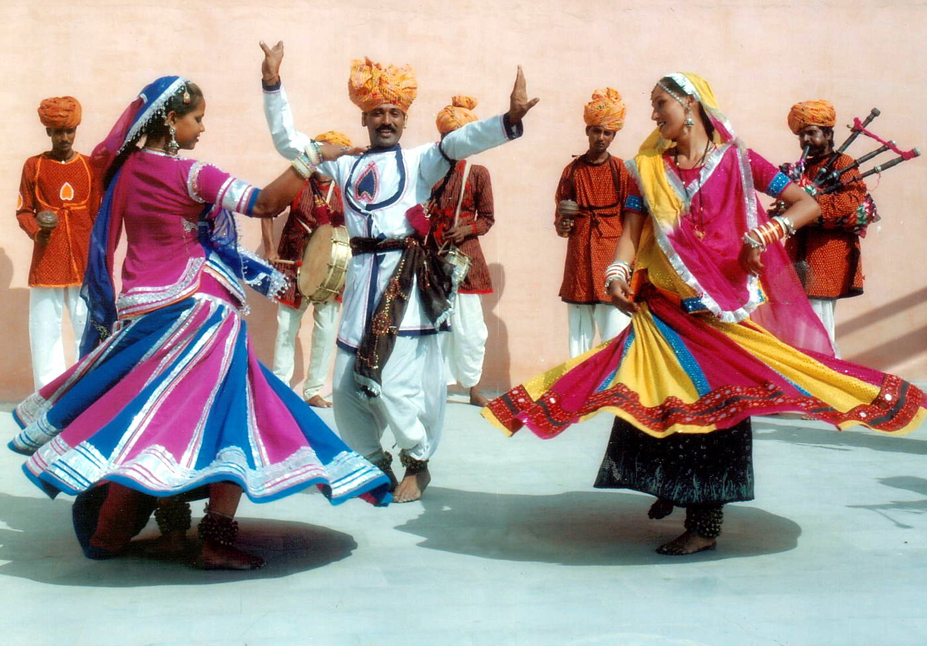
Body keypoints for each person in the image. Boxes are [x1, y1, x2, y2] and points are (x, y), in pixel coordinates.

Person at [483, 72, 926, 556]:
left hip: (720, 314)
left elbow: (808, 204)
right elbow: (631, 233)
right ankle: (671, 489)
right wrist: (615, 275)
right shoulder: (645, 169)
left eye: (660, 104)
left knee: (717, 414)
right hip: (661, 310)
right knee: (649, 398)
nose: (653, 115)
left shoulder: (737, 160)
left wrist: (766, 234)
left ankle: (705, 523)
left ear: (690, 103)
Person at [8, 75, 390, 570]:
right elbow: (264, 203)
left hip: (146, 317)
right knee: (230, 417)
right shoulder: (191, 174)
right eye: (197, 118)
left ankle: (145, 533)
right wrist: (315, 154)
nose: (202, 128)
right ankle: (214, 540)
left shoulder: (125, 172)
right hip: (204, 314)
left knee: (158, 423)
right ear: (170, 120)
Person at [260, 40, 538, 502]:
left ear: (405, 119)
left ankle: (417, 460)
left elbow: (458, 142)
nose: (386, 120)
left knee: (394, 384)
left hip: (405, 287)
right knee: (347, 384)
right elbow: (290, 143)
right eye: (377, 113)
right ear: (364, 119)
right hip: (359, 285)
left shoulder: (420, 162)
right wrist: (272, 84)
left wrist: (508, 121)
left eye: (394, 113)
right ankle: (373, 463)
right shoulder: (345, 163)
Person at [261, 131, 352, 409]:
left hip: (331, 269)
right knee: (287, 326)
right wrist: (270, 250)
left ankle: (313, 389)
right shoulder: (298, 182)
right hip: (294, 263)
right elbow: (266, 209)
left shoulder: (345, 189)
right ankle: (280, 385)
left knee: (325, 330)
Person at [16, 96, 101, 389]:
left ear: (76, 131)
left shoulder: (90, 167)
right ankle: (48, 395)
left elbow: (97, 215)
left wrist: (98, 255)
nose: (64, 138)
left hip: (83, 255)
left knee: (87, 325)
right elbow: (24, 210)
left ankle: (84, 392)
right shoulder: (34, 166)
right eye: (58, 132)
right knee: (44, 329)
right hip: (47, 256)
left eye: (69, 131)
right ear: (48, 133)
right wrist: (37, 231)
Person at [780, 100, 868, 356]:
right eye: (801, 134)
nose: (805, 139)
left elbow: (850, 202)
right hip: (798, 252)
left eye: (812, 132)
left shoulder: (844, 164)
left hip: (826, 254)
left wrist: (807, 202)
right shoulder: (801, 168)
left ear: (828, 133)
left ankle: (828, 373)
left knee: (818, 319)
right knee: (795, 318)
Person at [553, 88, 631, 357]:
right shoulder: (572, 170)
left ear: (614, 136)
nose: (601, 138)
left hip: (611, 254)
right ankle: (578, 391)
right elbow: (560, 219)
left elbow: (631, 218)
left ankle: (613, 390)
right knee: (579, 333)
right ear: (588, 131)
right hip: (579, 257)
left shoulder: (621, 169)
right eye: (596, 131)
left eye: (607, 133)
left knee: (616, 330)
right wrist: (564, 222)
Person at [429, 96, 496, 407]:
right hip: (433, 257)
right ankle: (437, 386)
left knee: (470, 329)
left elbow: (487, 218)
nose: (450, 143)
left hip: (466, 260)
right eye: (446, 138)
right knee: (436, 325)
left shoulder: (478, 173)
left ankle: (472, 388)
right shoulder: (430, 170)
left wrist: (466, 229)